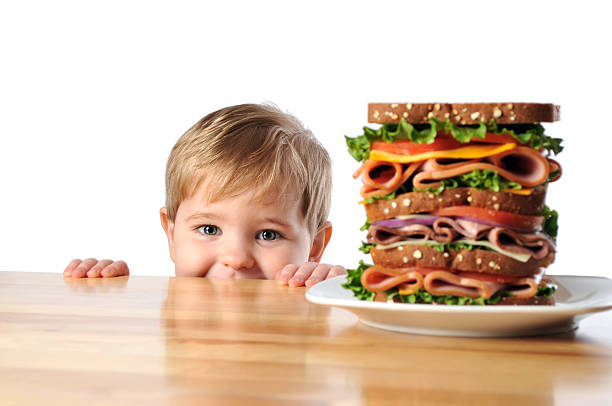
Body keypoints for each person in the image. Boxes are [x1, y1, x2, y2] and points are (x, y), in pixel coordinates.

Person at [63, 103, 345, 287]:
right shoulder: (167, 330)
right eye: (209, 229)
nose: (235, 258)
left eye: (268, 234)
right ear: (172, 236)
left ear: (316, 246)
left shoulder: (319, 311)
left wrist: (339, 294)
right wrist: (103, 288)